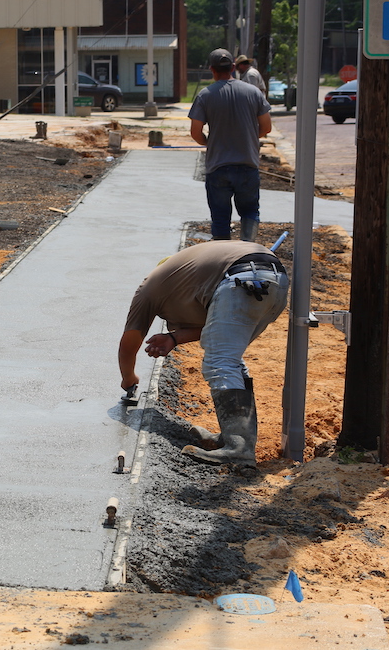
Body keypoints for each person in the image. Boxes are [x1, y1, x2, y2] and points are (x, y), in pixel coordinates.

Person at [117, 240, 289, 466]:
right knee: (230, 360)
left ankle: (239, 449)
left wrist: (129, 378)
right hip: (274, 281)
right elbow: (216, 325)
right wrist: (173, 338)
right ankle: (233, 437)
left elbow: (129, 342)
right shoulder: (194, 275)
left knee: (220, 363)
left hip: (241, 281)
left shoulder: (150, 287)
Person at [189, 48, 272, 243]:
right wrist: (250, 137)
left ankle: (223, 260)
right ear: (233, 67)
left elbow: (195, 132)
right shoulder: (253, 92)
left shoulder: (205, 95)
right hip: (247, 165)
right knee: (250, 211)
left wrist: (209, 142)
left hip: (218, 167)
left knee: (220, 218)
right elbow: (266, 127)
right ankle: (246, 254)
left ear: (212, 69)